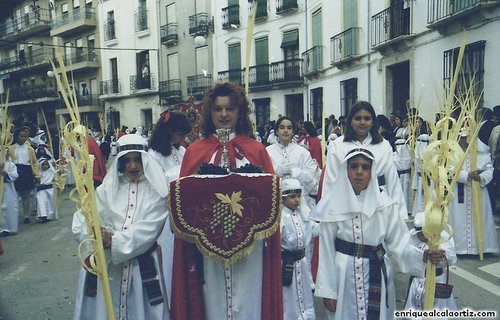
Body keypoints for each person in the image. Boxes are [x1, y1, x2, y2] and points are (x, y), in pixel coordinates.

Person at [170, 82, 283, 320]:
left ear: (239, 112)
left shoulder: (256, 150)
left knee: (249, 300)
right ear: (209, 112)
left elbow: (269, 198)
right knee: (212, 304)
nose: (224, 114)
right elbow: (186, 200)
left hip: (250, 251)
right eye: (218, 109)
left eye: (230, 108)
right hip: (207, 250)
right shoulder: (195, 151)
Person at [311, 148, 441, 320]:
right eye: (354, 166)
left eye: (365, 167)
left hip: (376, 274)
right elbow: (326, 251)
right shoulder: (332, 205)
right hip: (343, 278)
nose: (359, 172)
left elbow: (400, 243)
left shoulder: (385, 204)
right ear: (345, 170)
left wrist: (422, 256)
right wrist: (328, 291)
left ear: (372, 171)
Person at [72, 134, 170, 320]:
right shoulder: (105, 190)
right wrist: (95, 235)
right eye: (127, 161)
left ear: (146, 161)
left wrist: (114, 239)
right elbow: (82, 219)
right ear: (120, 163)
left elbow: (149, 230)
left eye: (137, 160)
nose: (132, 166)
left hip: (142, 267)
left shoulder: (157, 193)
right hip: (108, 268)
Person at [324, 101, 408, 221]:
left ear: (373, 121)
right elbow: (330, 182)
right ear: (351, 121)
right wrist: (329, 216)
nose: (362, 122)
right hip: (346, 203)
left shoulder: (383, 145)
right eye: (358, 118)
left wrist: (400, 216)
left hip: (378, 204)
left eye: (367, 118)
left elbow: (392, 180)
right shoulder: (337, 146)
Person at [266, 116, 320, 279]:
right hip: (276, 203)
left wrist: (296, 172)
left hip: (299, 202)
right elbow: (261, 176)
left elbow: (312, 176)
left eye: (289, 128)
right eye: (282, 127)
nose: (285, 131)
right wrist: (275, 172)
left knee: (303, 236)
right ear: (276, 130)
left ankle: (306, 275)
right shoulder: (268, 152)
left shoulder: (302, 152)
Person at [148, 110, 191, 305]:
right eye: (180, 133)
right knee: (169, 258)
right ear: (169, 131)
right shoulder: (153, 155)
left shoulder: (182, 151)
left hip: (185, 209)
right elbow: (156, 185)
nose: (183, 138)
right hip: (165, 215)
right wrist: (178, 178)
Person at [447, 128, 499, 255]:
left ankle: (483, 248)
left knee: (480, 218)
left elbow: (489, 170)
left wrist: (480, 177)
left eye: (464, 138)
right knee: (459, 219)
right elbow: (449, 171)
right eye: (460, 138)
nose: (461, 141)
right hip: (460, 191)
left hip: (478, 190)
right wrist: (466, 175)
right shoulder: (453, 153)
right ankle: (461, 248)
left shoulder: (482, 153)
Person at [404, 212, 458, 319]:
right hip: (417, 280)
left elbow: (452, 257)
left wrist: (441, 256)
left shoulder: (443, 237)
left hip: (437, 281)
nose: (423, 237)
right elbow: (404, 253)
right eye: (420, 234)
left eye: (425, 234)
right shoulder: (411, 237)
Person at [280, 178, 317, 320]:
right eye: (292, 197)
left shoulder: (303, 215)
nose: (296, 200)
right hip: (286, 264)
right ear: (283, 199)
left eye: (298, 196)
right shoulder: (280, 219)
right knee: (289, 296)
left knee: (304, 293)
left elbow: (313, 229)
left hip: (302, 262)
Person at [8, 126, 40, 224]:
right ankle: (13, 215)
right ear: (16, 137)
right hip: (15, 170)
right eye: (21, 136)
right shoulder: (10, 148)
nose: (23, 138)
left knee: (26, 195)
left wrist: (36, 174)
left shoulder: (30, 149)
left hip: (26, 171)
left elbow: (34, 162)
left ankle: (26, 215)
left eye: (25, 137)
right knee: (14, 195)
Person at [0, 152, 19, 237]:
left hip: (7, 188)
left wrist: (4, 172)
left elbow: (15, 175)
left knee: (8, 207)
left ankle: (10, 228)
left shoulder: (10, 164)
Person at [36, 158, 57, 223]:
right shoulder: (39, 173)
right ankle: (43, 215)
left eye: (46, 164)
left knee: (49, 203)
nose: (45, 166)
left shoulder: (52, 172)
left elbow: (57, 177)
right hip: (41, 190)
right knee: (41, 202)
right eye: (43, 165)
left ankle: (49, 215)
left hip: (49, 190)